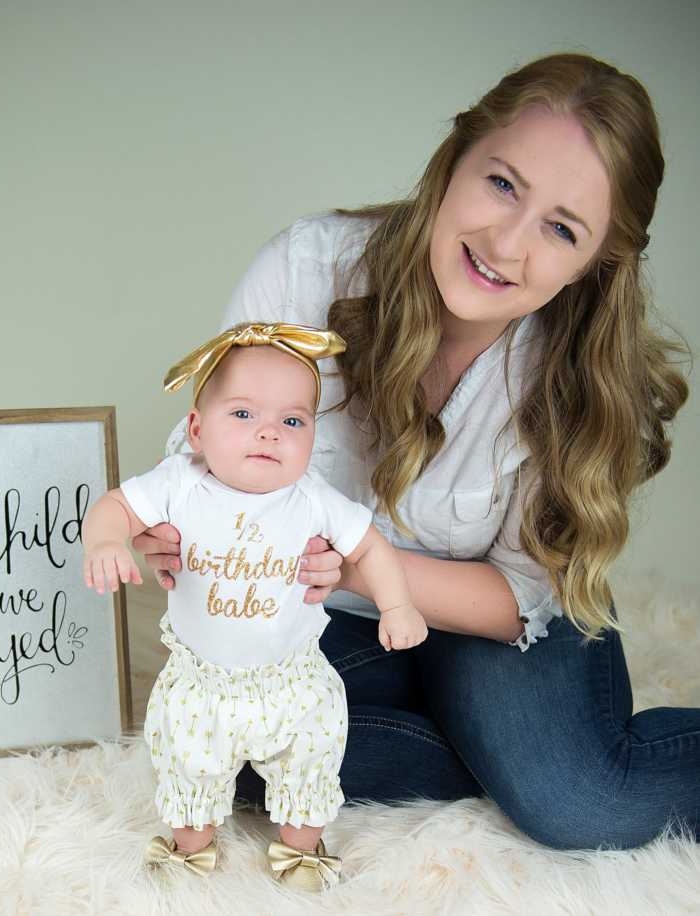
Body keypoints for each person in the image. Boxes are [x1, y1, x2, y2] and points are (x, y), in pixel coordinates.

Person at [135, 52, 700, 851]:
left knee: (578, 803)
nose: (506, 244)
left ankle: (521, 754)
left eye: (562, 228)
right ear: (454, 159)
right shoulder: (305, 271)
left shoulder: (575, 377)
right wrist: (172, 531)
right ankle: (485, 747)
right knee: (246, 765)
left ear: (595, 260)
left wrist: (362, 565)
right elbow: (203, 464)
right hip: (334, 615)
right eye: (502, 184)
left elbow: (517, 599)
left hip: (495, 622)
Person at [82, 323, 427, 890]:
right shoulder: (180, 483)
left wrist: (397, 605)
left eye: (292, 421)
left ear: (313, 437)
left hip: (293, 681)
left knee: (309, 764)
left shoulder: (311, 497)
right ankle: (190, 848)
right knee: (190, 765)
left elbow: (370, 545)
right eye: (242, 415)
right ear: (196, 429)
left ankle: (302, 850)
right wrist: (105, 542)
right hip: (203, 683)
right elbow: (116, 506)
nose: (269, 433)